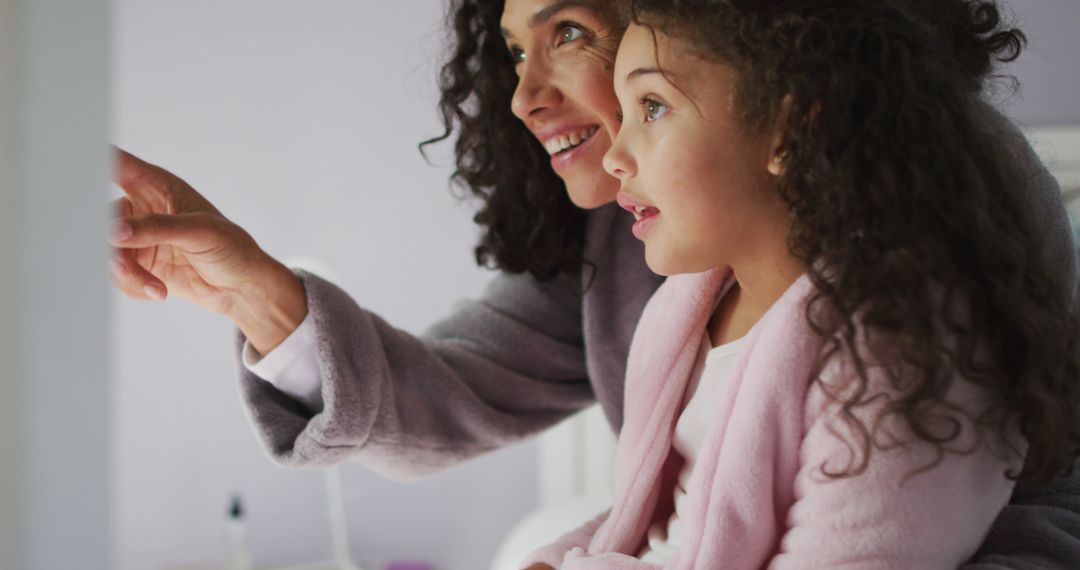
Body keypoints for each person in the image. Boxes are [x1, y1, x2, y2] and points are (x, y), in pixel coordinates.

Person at [109, 0, 1080, 566]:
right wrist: (253, 290)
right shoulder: (651, 264)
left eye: (568, 32)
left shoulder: (936, 231)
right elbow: (457, 397)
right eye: (515, 50)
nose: (524, 96)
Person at [519, 0, 1080, 567]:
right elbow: (659, 519)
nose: (615, 156)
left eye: (652, 106)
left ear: (790, 130)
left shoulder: (899, 350)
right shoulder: (688, 310)